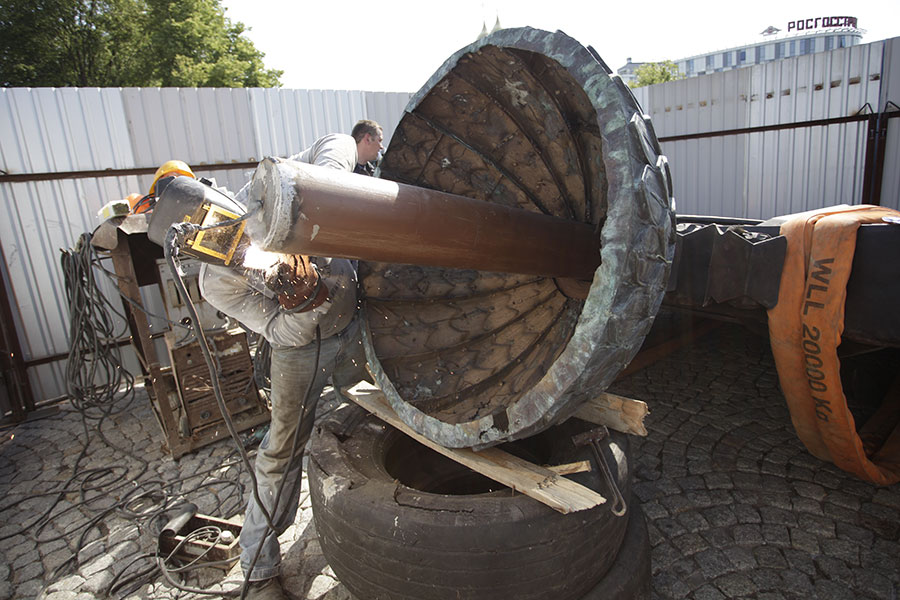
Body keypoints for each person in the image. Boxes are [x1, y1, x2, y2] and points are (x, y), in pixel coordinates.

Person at [199, 120, 383, 600]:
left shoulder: (266, 192)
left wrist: (321, 193)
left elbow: (335, 146)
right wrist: (309, 301)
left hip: (358, 326)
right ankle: (258, 569)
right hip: (299, 353)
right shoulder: (216, 280)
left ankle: (406, 512)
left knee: (396, 407)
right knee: (280, 450)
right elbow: (277, 330)